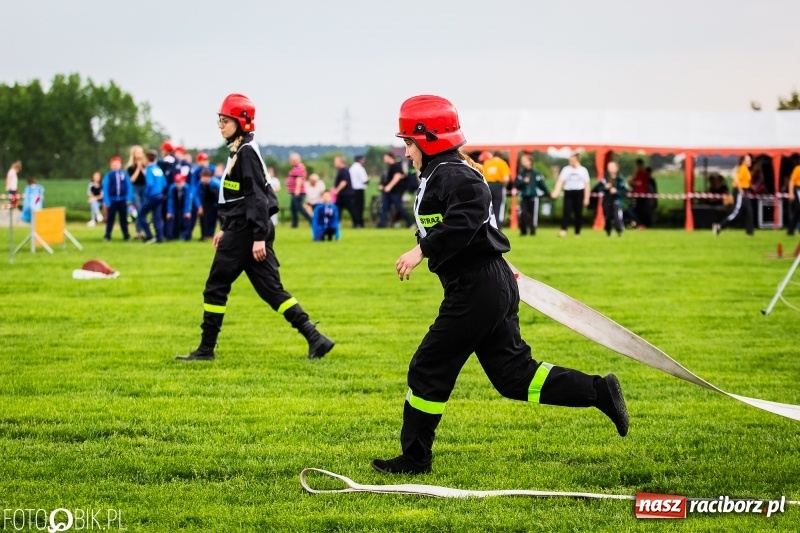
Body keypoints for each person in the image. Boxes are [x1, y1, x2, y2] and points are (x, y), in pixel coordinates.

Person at [372, 95, 628, 475]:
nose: (405, 151)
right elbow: (449, 220)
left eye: (408, 142)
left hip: (478, 289)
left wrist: (421, 250)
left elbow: (468, 217)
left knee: (428, 367)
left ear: (428, 140)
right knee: (514, 377)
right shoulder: (440, 173)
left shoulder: (454, 174)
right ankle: (598, 392)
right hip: (486, 284)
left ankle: (415, 459)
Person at [176, 93, 333, 362]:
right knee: (272, 291)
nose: (221, 125)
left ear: (242, 122)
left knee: (215, 287)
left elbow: (257, 197)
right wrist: (226, 227)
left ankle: (205, 350)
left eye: (226, 120)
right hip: (242, 228)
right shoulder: (240, 149)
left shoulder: (246, 151)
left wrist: (258, 236)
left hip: (246, 231)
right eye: (220, 120)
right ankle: (315, 338)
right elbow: (239, 198)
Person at [550, 153, 591, 237]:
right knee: (566, 211)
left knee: (578, 213)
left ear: (577, 160)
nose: (570, 162)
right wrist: (556, 192)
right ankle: (563, 230)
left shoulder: (583, 170)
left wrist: (587, 198)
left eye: (572, 160)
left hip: (579, 192)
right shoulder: (566, 169)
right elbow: (560, 181)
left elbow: (587, 184)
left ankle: (577, 232)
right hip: (569, 192)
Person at [714, 154, 754, 236]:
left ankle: (750, 232)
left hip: (745, 191)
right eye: (748, 160)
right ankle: (720, 226)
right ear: (744, 161)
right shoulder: (742, 168)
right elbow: (736, 179)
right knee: (736, 213)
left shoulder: (746, 169)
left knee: (749, 211)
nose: (750, 162)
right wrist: (741, 190)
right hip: (740, 191)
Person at [514, 153, 550, 236]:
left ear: (530, 162)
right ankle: (523, 231)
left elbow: (542, 185)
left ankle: (532, 231)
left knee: (533, 215)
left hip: (534, 196)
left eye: (525, 161)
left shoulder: (536, 173)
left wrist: (548, 194)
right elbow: (516, 184)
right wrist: (523, 182)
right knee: (523, 213)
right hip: (524, 196)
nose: (523, 162)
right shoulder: (521, 173)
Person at [378, 151, 413, 228]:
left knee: (399, 207)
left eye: (385, 157)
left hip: (395, 191)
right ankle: (381, 225)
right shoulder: (389, 167)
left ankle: (410, 223)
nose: (384, 159)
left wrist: (389, 187)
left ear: (389, 157)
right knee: (384, 207)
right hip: (388, 192)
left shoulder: (395, 166)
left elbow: (397, 177)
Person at [102, 156, 133, 241]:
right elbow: (105, 188)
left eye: (117, 164)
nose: (115, 166)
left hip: (122, 200)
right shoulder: (109, 175)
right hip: (112, 200)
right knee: (110, 219)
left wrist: (128, 198)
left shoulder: (124, 174)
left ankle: (126, 235)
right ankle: (107, 235)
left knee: (123, 219)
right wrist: (107, 201)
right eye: (113, 164)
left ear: (120, 165)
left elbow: (129, 187)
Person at [139, 150, 167, 244]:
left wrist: (146, 193)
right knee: (157, 217)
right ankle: (160, 237)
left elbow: (149, 184)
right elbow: (164, 183)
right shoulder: (158, 169)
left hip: (152, 196)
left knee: (141, 215)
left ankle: (149, 235)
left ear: (147, 159)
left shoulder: (149, 169)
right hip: (160, 195)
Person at [480, 151, 510, 227]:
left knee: (488, 208)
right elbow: (506, 178)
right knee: (498, 209)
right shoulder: (502, 163)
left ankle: (488, 227)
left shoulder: (487, 163)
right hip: (498, 186)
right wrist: (504, 186)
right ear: (501, 156)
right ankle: (497, 227)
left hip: (488, 186)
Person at [126, 145, 148, 239]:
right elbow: (132, 180)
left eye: (141, 152)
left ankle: (143, 231)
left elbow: (147, 177)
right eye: (138, 152)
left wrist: (142, 168)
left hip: (144, 188)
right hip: (135, 189)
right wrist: (138, 169)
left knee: (144, 210)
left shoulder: (146, 165)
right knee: (139, 209)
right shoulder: (131, 167)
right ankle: (139, 232)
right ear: (134, 154)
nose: (139, 154)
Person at [602, 161, 628, 236]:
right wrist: (605, 187)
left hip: (617, 200)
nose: (609, 169)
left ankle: (619, 230)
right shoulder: (605, 178)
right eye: (609, 167)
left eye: (611, 167)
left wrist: (617, 191)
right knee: (608, 216)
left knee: (616, 215)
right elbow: (599, 187)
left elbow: (625, 190)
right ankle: (608, 230)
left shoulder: (620, 178)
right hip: (607, 200)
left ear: (616, 168)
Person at [194, 168, 220, 241]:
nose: (204, 179)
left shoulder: (216, 184)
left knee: (212, 219)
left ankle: (210, 235)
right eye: (203, 177)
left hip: (215, 204)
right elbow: (196, 195)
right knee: (203, 219)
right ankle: (204, 235)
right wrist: (199, 206)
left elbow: (220, 196)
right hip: (205, 203)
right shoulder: (200, 184)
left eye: (206, 177)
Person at [287, 152, 311, 228]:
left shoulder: (298, 168)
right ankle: (294, 224)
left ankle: (311, 220)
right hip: (295, 192)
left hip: (298, 192)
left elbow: (299, 180)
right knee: (293, 208)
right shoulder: (296, 167)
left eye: (291, 160)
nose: (290, 161)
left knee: (299, 208)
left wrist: (297, 190)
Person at [165, 174, 193, 241]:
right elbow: (170, 200)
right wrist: (170, 212)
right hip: (176, 206)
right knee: (173, 220)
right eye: (177, 182)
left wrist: (187, 211)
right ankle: (173, 236)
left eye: (180, 182)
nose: (178, 184)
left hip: (184, 206)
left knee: (186, 219)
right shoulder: (172, 188)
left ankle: (186, 236)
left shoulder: (186, 188)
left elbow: (188, 200)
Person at [332, 156, 356, 224]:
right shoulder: (340, 171)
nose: (334, 163)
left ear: (341, 162)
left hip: (346, 194)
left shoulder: (344, 170)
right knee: (338, 209)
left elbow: (344, 182)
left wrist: (337, 190)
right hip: (341, 194)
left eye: (336, 162)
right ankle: (337, 223)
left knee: (351, 209)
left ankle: (357, 223)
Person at [349, 155, 369, 227]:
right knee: (360, 207)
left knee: (354, 207)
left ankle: (355, 223)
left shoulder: (351, 168)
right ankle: (360, 223)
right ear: (360, 160)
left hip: (352, 190)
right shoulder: (360, 168)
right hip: (359, 190)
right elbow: (365, 180)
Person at [629, 159, 650, 228]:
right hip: (640, 194)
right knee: (639, 210)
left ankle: (641, 224)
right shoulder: (643, 173)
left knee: (637, 210)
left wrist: (631, 182)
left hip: (640, 195)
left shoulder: (640, 173)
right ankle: (641, 224)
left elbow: (639, 183)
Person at [787, 158, 800, 235]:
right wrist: (791, 192)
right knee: (798, 210)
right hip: (798, 190)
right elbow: (792, 181)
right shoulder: (798, 169)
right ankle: (791, 230)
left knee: (797, 212)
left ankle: (790, 230)